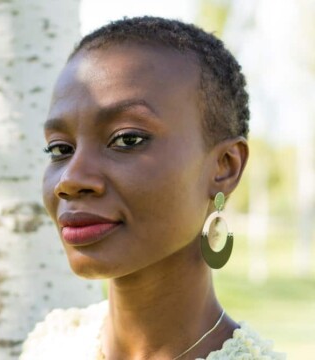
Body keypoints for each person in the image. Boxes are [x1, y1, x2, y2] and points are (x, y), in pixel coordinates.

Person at [19, 16, 285, 360]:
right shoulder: (50, 348)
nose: (70, 180)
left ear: (224, 167)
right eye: (60, 149)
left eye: (127, 139)